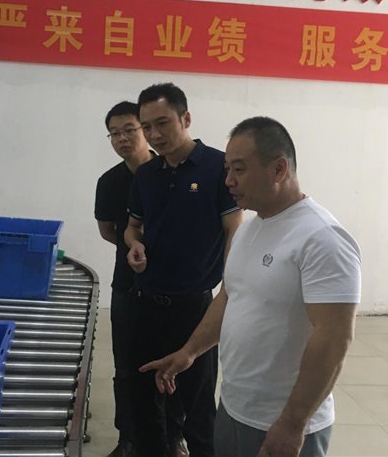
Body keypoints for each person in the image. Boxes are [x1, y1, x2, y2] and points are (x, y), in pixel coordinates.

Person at [141, 116, 362, 457]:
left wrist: (293, 423)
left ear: (278, 169)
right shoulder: (248, 229)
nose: (228, 180)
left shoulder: (322, 238)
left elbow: (335, 337)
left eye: (239, 170)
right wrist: (190, 352)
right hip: (234, 407)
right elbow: (230, 296)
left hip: (283, 423)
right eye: (227, 169)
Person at [124, 83, 243, 457]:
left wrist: (232, 287)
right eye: (147, 127)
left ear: (186, 118)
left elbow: (233, 228)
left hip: (194, 307)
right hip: (146, 301)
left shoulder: (217, 167)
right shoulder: (147, 174)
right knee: (144, 398)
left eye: (163, 123)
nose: (155, 135)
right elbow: (132, 227)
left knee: (197, 405)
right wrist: (134, 244)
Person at [94, 101, 155, 457]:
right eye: (114, 133)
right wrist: (132, 245)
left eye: (129, 130)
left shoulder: (169, 174)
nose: (122, 139)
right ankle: (128, 438)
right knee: (126, 365)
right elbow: (108, 231)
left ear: (145, 129)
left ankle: (173, 435)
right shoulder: (110, 182)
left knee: (174, 363)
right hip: (127, 284)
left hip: (172, 284)